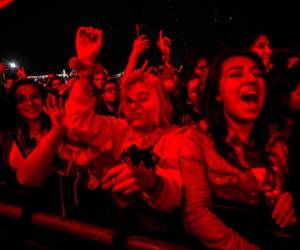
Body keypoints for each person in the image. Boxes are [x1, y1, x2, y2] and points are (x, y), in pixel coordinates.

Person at [180, 51, 297, 249]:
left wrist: (292, 194)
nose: (251, 79)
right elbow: (196, 213)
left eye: (257, 74)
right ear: (217, 93)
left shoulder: (279, 138)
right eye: (236, 74)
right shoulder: (196, 140)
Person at [0, 79, 64, 213]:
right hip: (15, 214)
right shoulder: (8, 137)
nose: (30, 104)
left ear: (44, 99)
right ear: (14, 105)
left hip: (56, 216)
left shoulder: (61, 132)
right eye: (21, 100)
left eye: (35, 97)